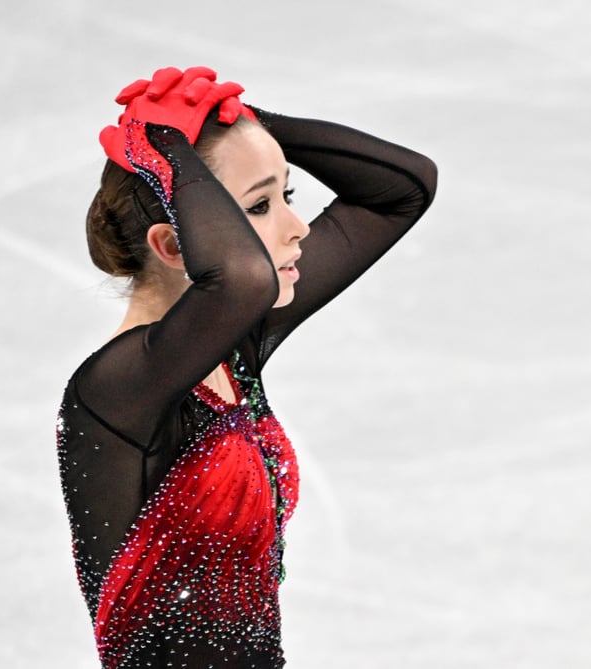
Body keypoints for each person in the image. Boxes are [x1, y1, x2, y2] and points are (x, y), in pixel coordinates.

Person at [56, 66, 437, 668]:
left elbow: (401, 190)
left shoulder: (235, 346)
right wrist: (168, 148)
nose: (298, 228)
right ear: (176, 246)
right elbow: (242, 279)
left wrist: (238, 119)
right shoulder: (117, 389)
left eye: (286, 195)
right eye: (259, 206)